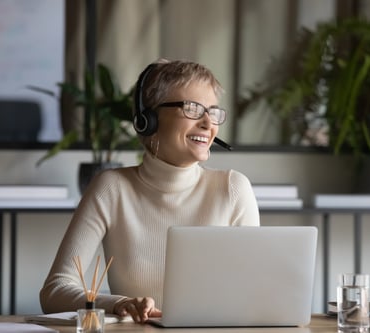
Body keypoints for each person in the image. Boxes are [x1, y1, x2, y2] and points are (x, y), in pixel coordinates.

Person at [39, 59, 260, 323]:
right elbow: (54, 291)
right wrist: (119, 303)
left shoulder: (233, 189)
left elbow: (254, 293)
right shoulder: (111, 188)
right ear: (149, 120)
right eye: (192, 109)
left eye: (213, 112)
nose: (207, 123)